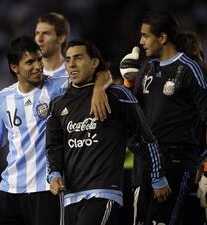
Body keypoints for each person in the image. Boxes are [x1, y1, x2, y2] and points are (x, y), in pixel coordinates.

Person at [0, 35, 111, 225]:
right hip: (9, 188)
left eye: (39, 59)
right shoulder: (4, 97)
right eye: (30, 62)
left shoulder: (58, 85)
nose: (38, 66)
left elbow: (103, 72)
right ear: (14, 67)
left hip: (46, 189)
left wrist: (99, 89)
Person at [46, 38, 170, 225]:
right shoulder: (58, 104)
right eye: (68, 59)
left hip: (104, 191)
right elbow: (54, 146)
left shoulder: (117, 96)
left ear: (94, 63)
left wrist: (158, 176)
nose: (71, 64)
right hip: (70, 195)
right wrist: (54, 173)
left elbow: (146, 137)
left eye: (78, 58)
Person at [120, 11, 207, 225]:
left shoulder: (190, 68)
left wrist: (203, 162)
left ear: (163, 38)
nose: (140, 42)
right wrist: (128, 84)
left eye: (145, 36)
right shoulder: (148, 68)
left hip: (175, 163)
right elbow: (132, 115)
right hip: (144, 164)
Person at [35, 12, 110, 120]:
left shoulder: (73, 70)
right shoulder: (31, 73)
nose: (39, 39)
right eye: (37, 33)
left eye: (46, 33)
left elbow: (104, 73)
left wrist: (99, 89)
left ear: (61, 38)